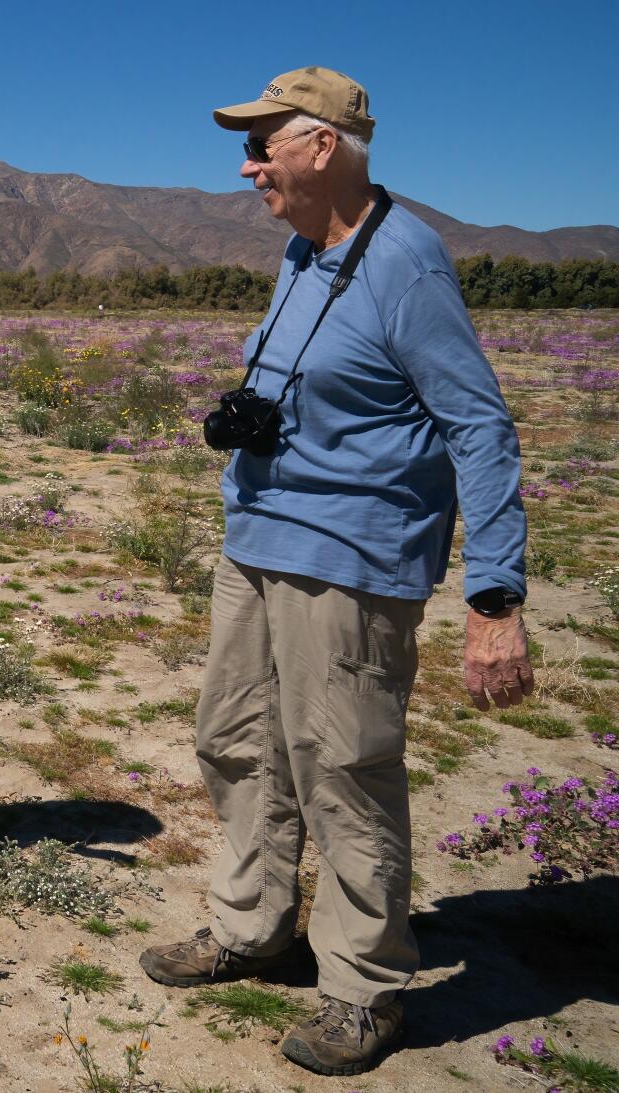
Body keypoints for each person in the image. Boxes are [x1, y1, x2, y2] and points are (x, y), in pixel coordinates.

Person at [138, 68, 532, 1077]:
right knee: (235, 742)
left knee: (342, 770)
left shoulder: (403, 264)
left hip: (350, 561)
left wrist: (493, 595)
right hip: (257, 542)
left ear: (325, 148)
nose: (245, 161)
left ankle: (361, 986)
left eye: (262, 141)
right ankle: (251, 925)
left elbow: (477, 425)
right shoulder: (302, 251)